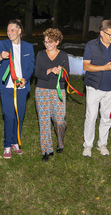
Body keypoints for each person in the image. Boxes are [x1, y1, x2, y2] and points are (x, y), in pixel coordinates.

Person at [82, 19, 111, 157]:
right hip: (94, 87)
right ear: (102, 33)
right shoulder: (91, 45)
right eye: (110, 34)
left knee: (106, 118)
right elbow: (86, 66)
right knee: (91, 117)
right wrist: (105, 67)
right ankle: (88, 145)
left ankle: (102, 144)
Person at [0, 19, 35, 159]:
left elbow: (30, 67)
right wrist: (1, 55)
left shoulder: (28, 47)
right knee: (8, 115)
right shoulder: (3, 44)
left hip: (21, 87)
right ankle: (7, 145)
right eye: (7, 30)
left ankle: (15, 142)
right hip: (7, 87)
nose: (9, 32)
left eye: (12, 30)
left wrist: (26, 79)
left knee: (19, 116)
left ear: (19, 31)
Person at [35, 28, 69, 162]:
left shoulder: (63, 55)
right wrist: (49, 70)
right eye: (45, 41)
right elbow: (38, 73)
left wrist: (61, 72)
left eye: (50, 42)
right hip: (41, 90)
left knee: (59, 121)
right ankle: (46, 150)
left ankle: (60, 142)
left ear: (57, 42)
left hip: (58, 91)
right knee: (43, 121)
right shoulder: (40, 54)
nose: (47, 44)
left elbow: (66, 78)